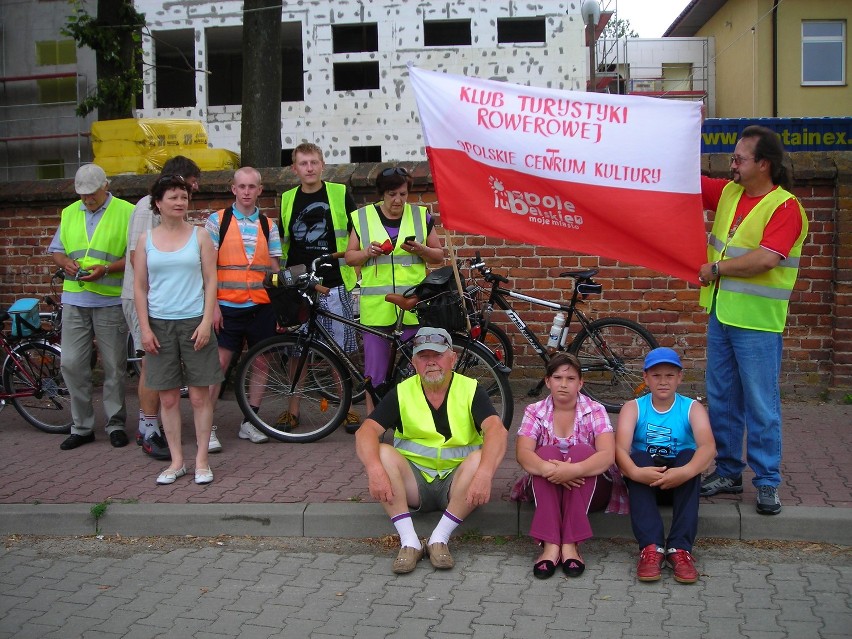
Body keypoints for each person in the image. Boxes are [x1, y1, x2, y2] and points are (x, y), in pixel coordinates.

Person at [697, 125, 809, 516]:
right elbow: (687, 185)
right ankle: (728, 471)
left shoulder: (786, 207)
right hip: (722, 315)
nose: (732, 165)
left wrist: (716, 268)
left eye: (739, 159)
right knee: (723, 399)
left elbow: (766, 259)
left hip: (758, 323)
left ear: (764, 164)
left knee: (761, 403)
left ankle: (767, 482)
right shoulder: (730, 192)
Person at [355, 327, 508, 574]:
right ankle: (409, 542)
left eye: (437, 355)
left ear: (452, 358)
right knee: (382, 453)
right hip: (414, 484)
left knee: (480, 458)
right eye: (423, 357)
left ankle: (439, 538)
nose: (431, 362)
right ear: (414, 362)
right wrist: (374, 470)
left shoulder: (470, 389)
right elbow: (366, 432)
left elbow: (496, 430)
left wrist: (485, 474)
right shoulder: (403, 391)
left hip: (456, 485)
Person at [134, 175, 222, 485]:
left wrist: (205, 321)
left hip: (193, 322)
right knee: (168, 398)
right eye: (172, 197)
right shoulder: (146, 240)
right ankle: (176, 461)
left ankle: (201, 461)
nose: (179, 202)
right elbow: (140, 287)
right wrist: (145, 329)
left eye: (183, 197)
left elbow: (212, 281)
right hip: (159, 325)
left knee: (200, 397)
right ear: (158, 202)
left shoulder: (200, 237)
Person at [515, 353, 627, 580]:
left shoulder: (595, 410)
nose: (563, 384)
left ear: (580, 383)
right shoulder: (534, 411)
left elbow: (607, 456)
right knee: (544, 453)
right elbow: (523, 453)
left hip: (591, 489)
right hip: (548, 485)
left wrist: (573, 470)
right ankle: (550, 546)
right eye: (557, 378)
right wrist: (551, 470)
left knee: (582, 452)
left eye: (571, 379)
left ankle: (570, 544)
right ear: (547, 381)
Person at [344, 167, 444, 417]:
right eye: (392, 194)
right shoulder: (362, 217)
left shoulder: (421, 216)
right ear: (382, 194)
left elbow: (439, 255)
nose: (398, 200)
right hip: (376, 306)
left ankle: (417, 419)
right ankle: (373, 421)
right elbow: (349, 258)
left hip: (413, 303)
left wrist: (422, 250)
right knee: (375, 369)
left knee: (418, 365)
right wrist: (367, 252)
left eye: (403, 193)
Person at [122, 156, 202, 461]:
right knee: (150, 365)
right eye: (192, 182)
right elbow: (137, 257)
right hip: (147, 300)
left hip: (163, 302)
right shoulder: (148, 207)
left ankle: (154, 425)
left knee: (157, 366)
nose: (193, 190)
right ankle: (148, 428)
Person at [49, 164, 133, 451]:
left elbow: (137, 255)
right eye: (82, 195)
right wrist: (65, 263)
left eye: (92, 194)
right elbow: (57, 250)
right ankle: (81, 426)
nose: (87, 199)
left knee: (114, 366)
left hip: (110, 299)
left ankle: (115, 423)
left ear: (105, 186)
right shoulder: (70, 212)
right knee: (71, 363)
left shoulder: (126, 211)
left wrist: (107, 269)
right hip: (75, 297)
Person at [278, 142, 360, 432]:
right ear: (294, 168)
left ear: (322, 164)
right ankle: (293, 410)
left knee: (340, 350)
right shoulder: (287, 198)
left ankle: (347, 407)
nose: (309, 168)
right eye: (303, 163)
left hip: (335, 281)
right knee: (297, 350)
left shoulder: (338, 192)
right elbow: (283, 241)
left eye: (314, 162)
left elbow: (355, 229)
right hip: (300, 285)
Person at [615, 347, 716, 585]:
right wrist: (634, 472)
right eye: (656, 375)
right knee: (638, 456)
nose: (663, 381)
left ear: (680, 378)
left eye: (669, 375)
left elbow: (708, 447)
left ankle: (679, 550)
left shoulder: (692, 408)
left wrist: (686, 472)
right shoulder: (634, 407)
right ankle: (651, 549)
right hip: (645, 483)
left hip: (679, 482)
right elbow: (619, 449)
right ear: (646, 378)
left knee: (690, 455)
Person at [205, 167, 283, 448]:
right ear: (233, 189)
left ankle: (251, 421)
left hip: (261, 305)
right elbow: (208, 269)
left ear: (260, 190)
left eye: (252, 187)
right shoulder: (217, 221)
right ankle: (207, 427)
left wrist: (279, 307)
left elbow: (274, 270)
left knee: (262, 362)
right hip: (227, 306)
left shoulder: (268, 225)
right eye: (242, 187)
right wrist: (212, 306)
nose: (247, 192)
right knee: (219, 366)